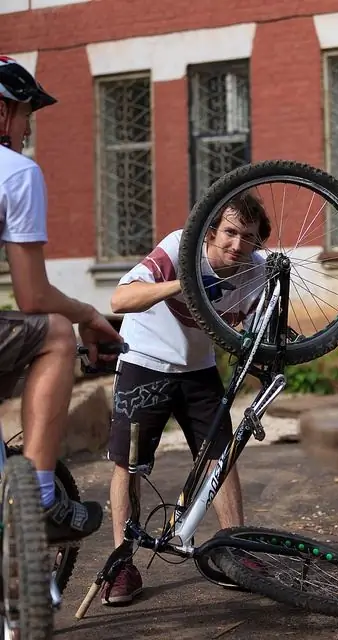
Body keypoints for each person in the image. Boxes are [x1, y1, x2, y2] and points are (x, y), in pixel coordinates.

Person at [102, 190, 271, 605]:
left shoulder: (258, 269)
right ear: (210, 231)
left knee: (221, 455)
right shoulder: (180, 247)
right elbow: (120, 299)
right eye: (229, 233)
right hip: (145, 360)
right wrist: (184, 283)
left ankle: (234, 548)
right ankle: (122, 565)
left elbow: (256, 330)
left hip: (198, 369)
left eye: (248, 236)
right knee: (130, 464)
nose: (237, 245)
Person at [0, 55, 122, 542]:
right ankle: (44, 496)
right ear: (4, 112)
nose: (28, 129)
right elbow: (33, 296)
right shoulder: (15, 173)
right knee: (52, 330)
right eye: (28, 113)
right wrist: (88, 314)